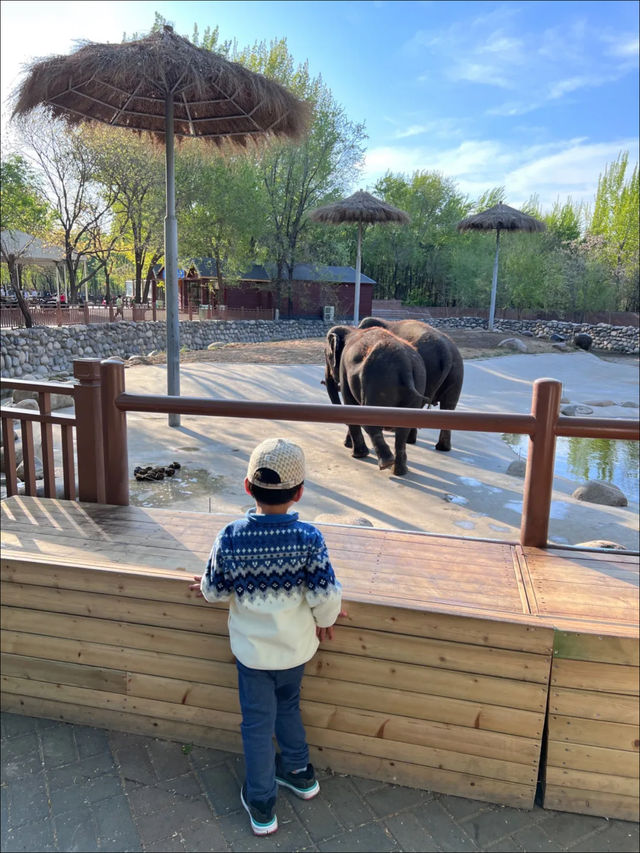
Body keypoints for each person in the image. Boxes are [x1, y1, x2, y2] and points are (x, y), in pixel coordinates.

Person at [189, 438, 345, 836]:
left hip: (253, 656)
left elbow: (214, 591)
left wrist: (203, 585)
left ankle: (261, 803)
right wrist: (327, 617)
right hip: (295, 651)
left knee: (258, 725)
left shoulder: (231, 536)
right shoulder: (309, 538)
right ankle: (300, 773)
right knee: (289, 706)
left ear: (246, 486)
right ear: (299, 493)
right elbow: (326, 597)